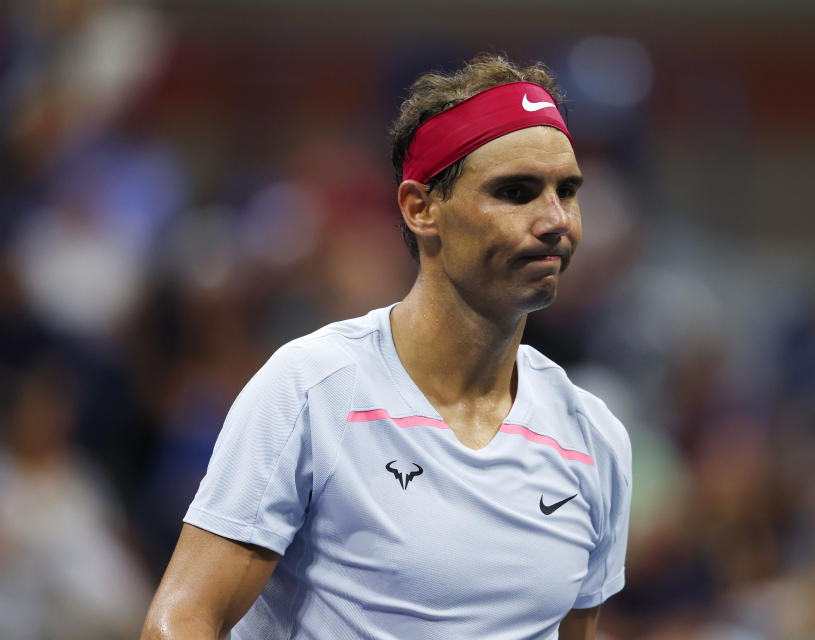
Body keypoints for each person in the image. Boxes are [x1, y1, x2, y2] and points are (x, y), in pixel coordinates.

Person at [141, 53, 632, 640]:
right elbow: (182, 619)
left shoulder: (594, 438)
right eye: (516, 191)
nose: (556, 220)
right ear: (421, 209)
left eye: (567, 191)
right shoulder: (313, 390)